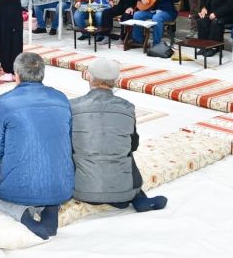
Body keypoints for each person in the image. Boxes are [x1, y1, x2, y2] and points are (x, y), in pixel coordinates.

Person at [0, 52, 73, 240]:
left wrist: (3, 173)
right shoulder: (61, 98)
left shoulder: (4, 102)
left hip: (21, 183)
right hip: (63, 185)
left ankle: (25, 218)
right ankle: (51, 206)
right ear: (42, 73)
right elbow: (69, 142)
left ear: (17, 74)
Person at [71, 58, 168, 213]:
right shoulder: (127, 107)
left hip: (81, 190)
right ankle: (139, 199)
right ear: (114, 81)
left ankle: (108, 194)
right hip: (124, 191)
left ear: (90, 78)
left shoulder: (72, 106)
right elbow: (133, 145)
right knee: (123, 147)